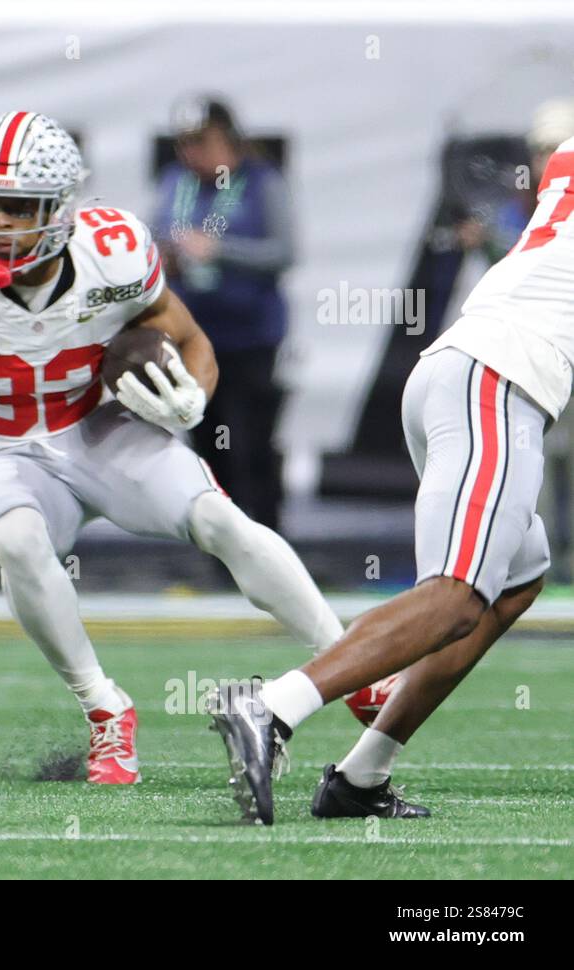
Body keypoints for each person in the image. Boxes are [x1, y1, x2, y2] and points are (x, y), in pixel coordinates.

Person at [0, 111, 343, 784]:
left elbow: (186, 338)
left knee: (221, 520)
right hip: (6, 449)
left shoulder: (115, 250)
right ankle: (106, 712)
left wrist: (196, 397)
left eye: (19, 208)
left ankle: (348, 660)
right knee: (13, 540)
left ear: (61, 208)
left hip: (105, 431)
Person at [210, 133, 574, 826]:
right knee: (454, 597)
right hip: (497, 384)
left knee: (518, 578)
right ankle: (271, 708)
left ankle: (360, 776)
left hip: (464, 374)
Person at [152, 95, 292, 531]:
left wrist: (220, 251)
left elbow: (284, 252)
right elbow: (153, 234)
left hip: (250, 338)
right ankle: (221, 550)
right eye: (185, 144)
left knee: (253, 444)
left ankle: (270, 538)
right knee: (209, 445)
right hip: (194, 336)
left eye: (202, 143)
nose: (192, 154)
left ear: (228, 141)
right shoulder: (177, 182)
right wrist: (168, 255)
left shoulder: (261, 182)